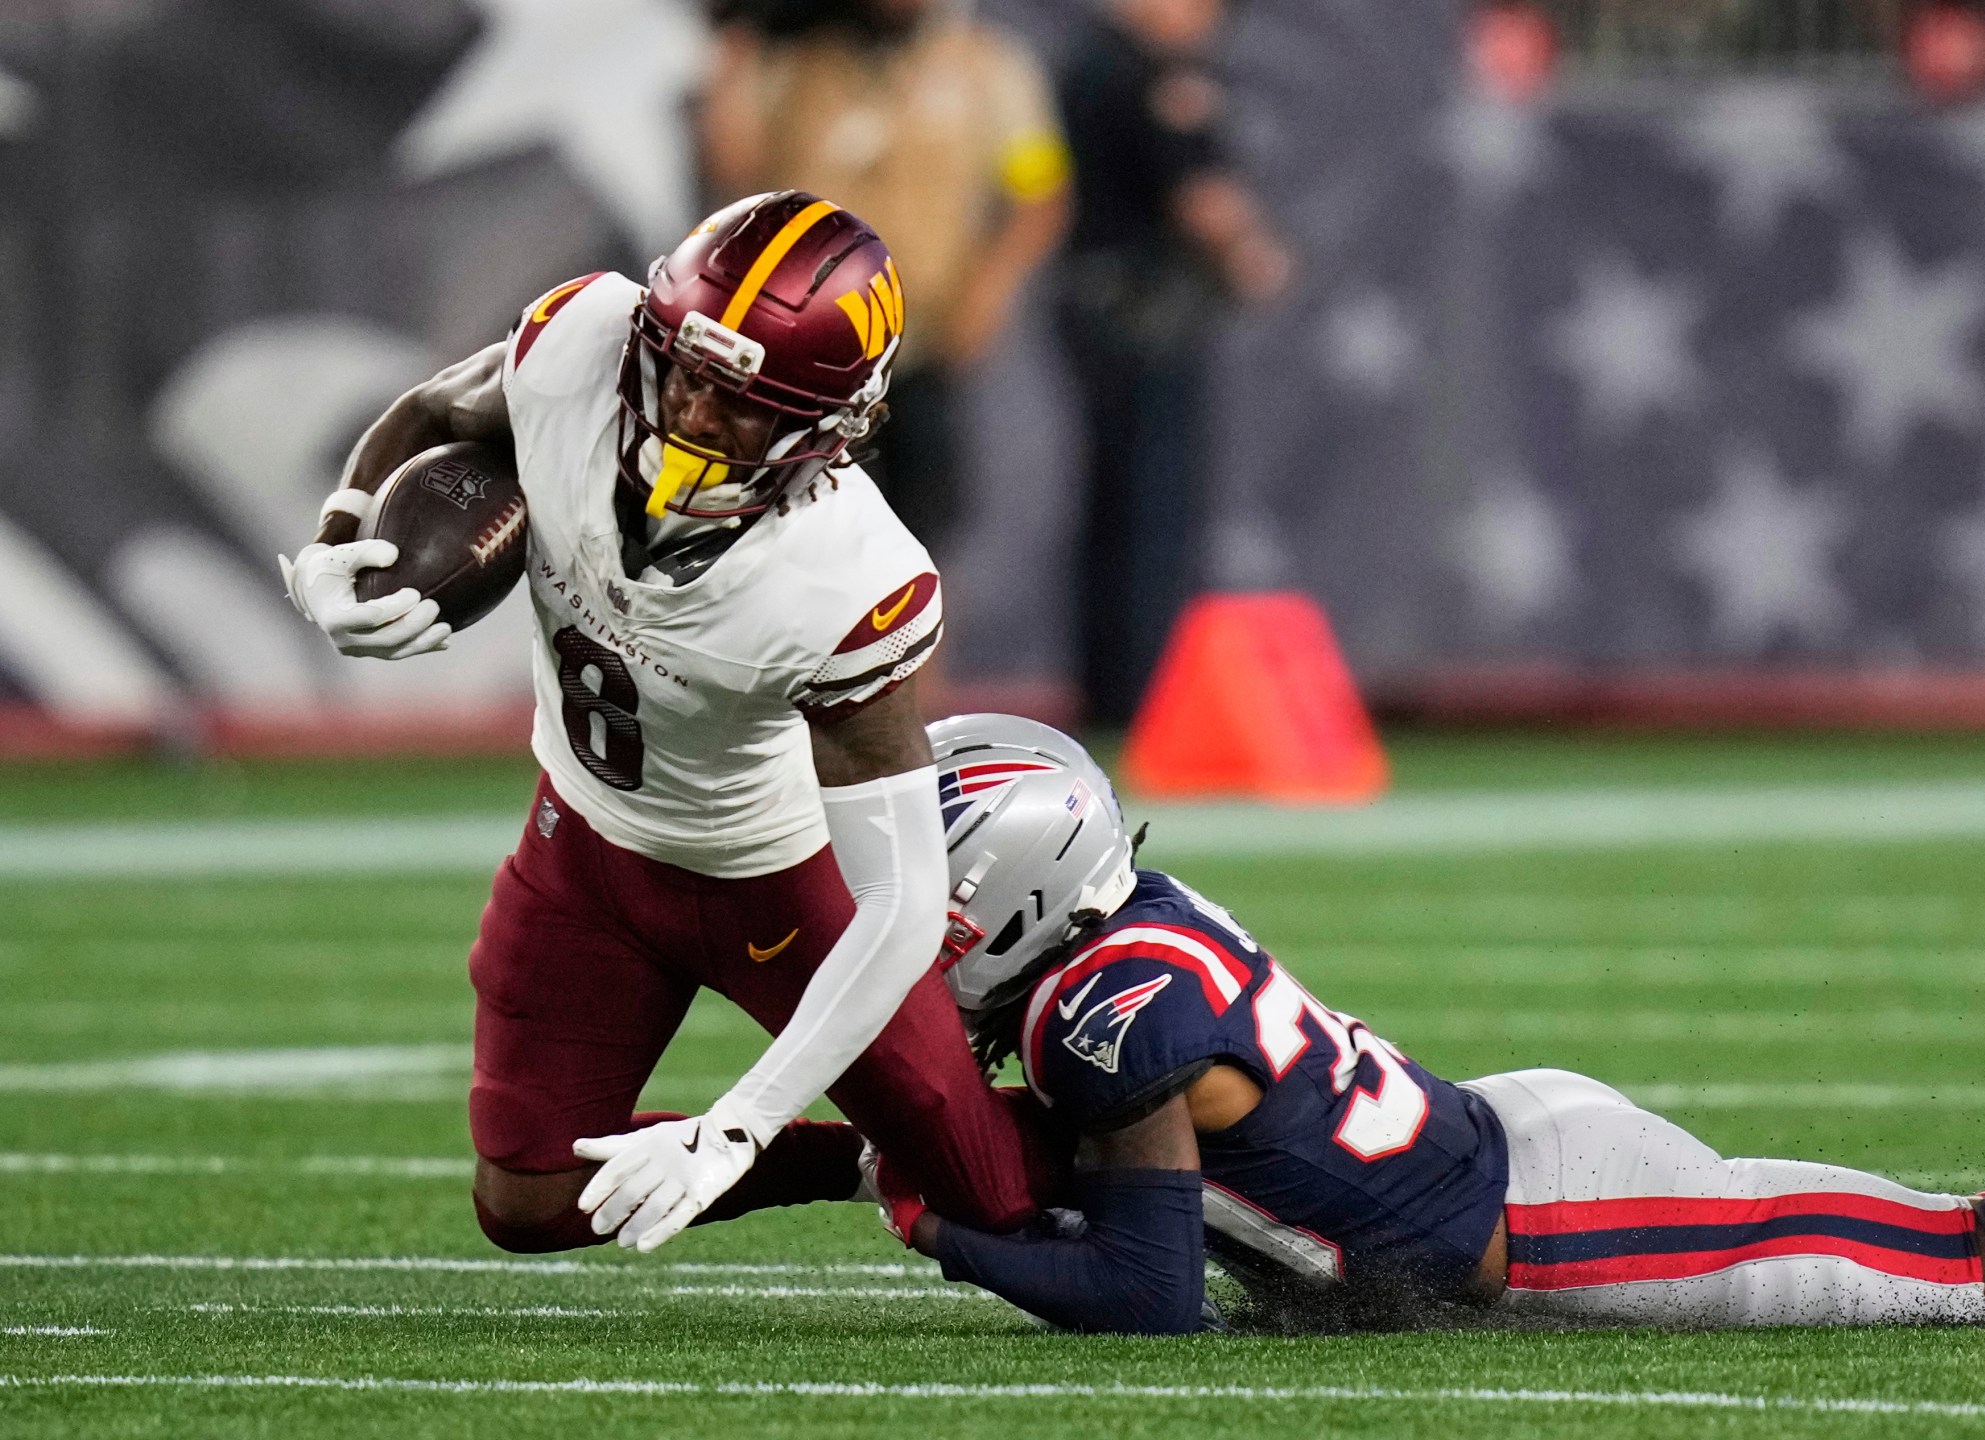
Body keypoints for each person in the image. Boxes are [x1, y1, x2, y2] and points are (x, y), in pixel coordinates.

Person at [875, 714, 1985, 1332]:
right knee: (1981, 1251)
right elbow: (1089, 1169)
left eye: (934, 889)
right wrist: (791, 1162)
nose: (909, 917)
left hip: (1557, 1218)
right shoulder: (1117, 954)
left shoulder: (1103, 1011)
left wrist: (933, 1222)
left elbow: (1149, 1294)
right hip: (1506, 1153)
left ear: (1014, 892)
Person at [277, 192, 1055, 1255]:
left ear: (831, 426)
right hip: (587, 851)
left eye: (744, 402)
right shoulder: (579, 346)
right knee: (532, 1203)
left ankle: (1180, 1133)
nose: (693, 414)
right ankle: (863, 1165)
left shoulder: (848, 579)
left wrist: (735, 1126)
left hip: (779, 881)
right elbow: (432, 413)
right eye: (687, 368)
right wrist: (336, 539)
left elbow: (903, 898)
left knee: (996, 1200)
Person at [699, 0, 1073, 555]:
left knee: (918, 541)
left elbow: (1040, 194)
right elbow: (734, 166)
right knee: (790, 535)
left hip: (921, 343)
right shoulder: (798, 60)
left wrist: (991, 290)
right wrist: (735, 49)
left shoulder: (986, 67)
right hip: (801, 351)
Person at [1053, 0, 1293, 722]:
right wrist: (1255, 255)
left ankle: (1109, 689)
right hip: (1144, 314)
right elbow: (1202, 200)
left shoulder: (1079, 67)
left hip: (1088, 302)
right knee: (1153, 513)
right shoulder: (1152, 79)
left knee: (1111, 509)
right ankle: (1147, 694)